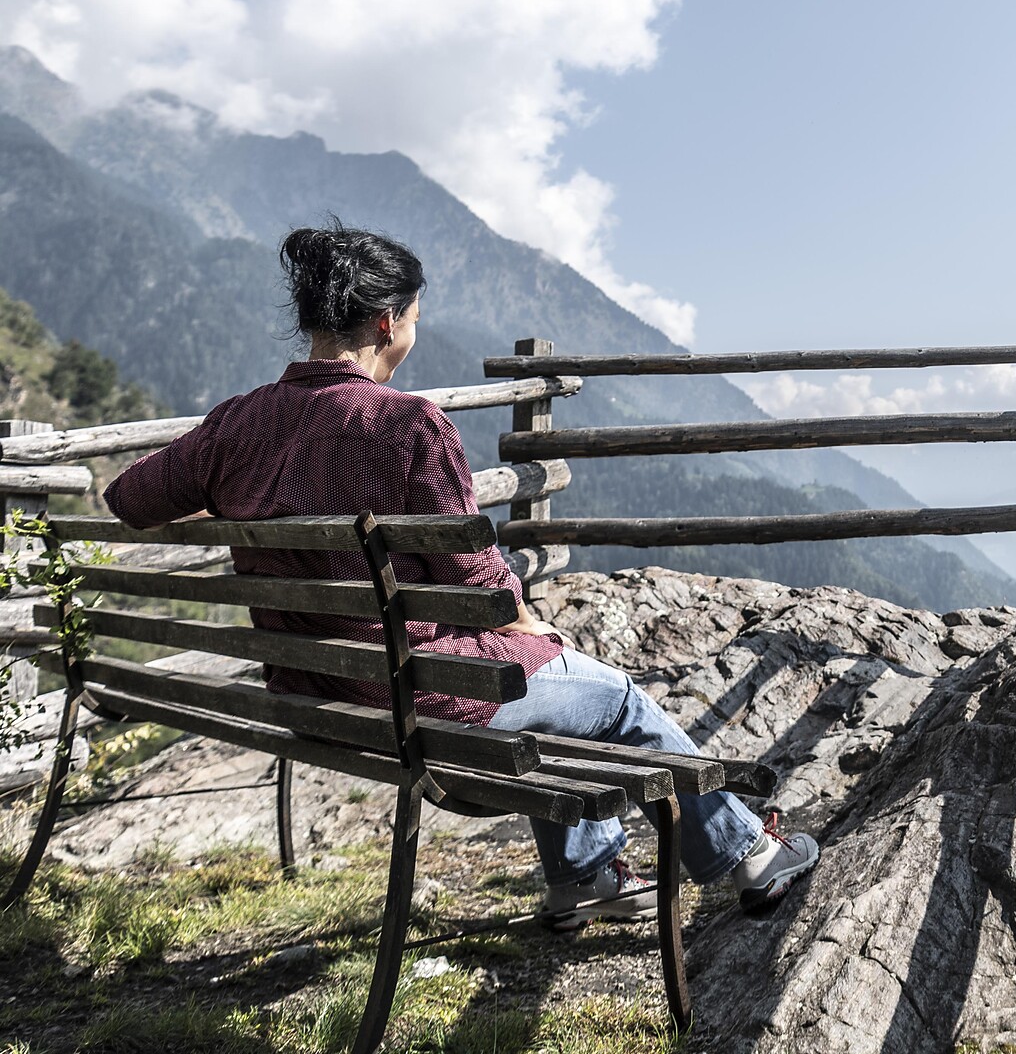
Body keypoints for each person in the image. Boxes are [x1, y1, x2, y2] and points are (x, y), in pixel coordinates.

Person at [103, 220, 818, 926]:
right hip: (419, 702)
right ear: (386, 322)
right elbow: (478, 579)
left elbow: (128, 498)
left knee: (556, 684)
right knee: (612, 696)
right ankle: (745, 856)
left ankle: (590, 876)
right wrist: (530, 623)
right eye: (414, 317)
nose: (413, 331)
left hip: (316, 695)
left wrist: (244, 518)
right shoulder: (408, 425)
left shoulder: (235, 424)